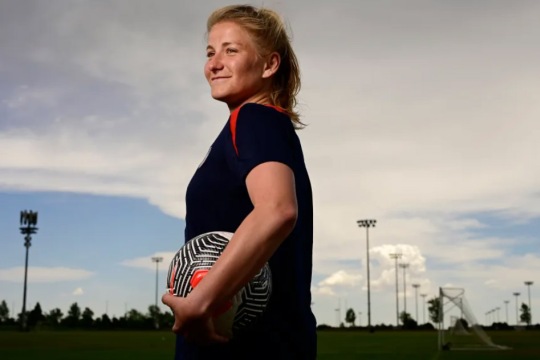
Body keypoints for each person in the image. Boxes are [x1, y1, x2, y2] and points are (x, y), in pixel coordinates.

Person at [162, 5, 316, 359]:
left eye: (231, 50)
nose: (214, 63)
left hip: (242, 345)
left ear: (269, 64)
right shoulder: (264, 126)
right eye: (210, 52)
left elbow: (277, 210)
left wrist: (201, 301)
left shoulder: (253, 118)